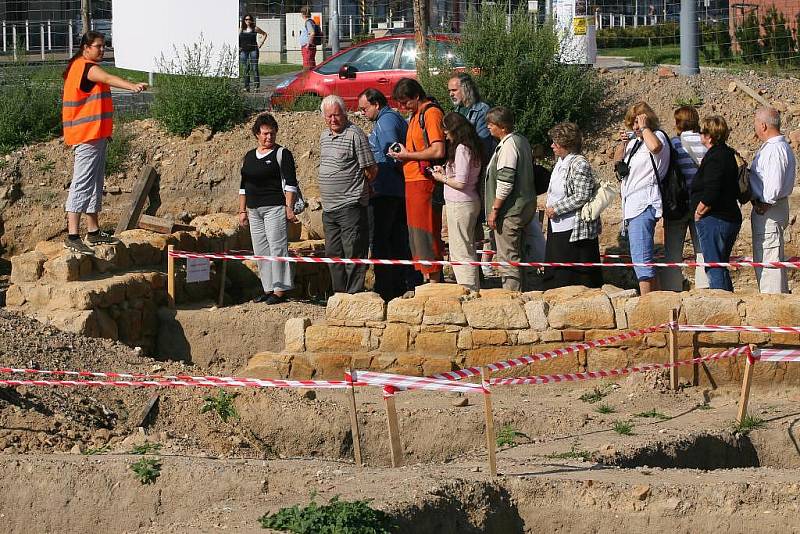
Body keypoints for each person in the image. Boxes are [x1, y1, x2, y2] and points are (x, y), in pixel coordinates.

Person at [61, 31, 148, 256]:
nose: (102, 50)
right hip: (86, 136)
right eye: (98, 46)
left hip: (94, 135)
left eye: (103, 46)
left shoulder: (81, 66)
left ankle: (93, 230)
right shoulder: (86, 68)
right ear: (86, 48)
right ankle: (72, 235)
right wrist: (132, 86)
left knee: (95, 183)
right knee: (82, 183)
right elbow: (109, 78)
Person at [357, 88, 413, 301]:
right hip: (393, 189)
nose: (363, 113)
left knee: (381, 240)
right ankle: (397, 285)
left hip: (387, 190)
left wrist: (397, 175)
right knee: (395, 239)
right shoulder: (389, 119)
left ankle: (386, 288)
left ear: (376, 104)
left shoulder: (386, 122)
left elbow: (394, 152)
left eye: (364, 108)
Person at [319, 95, 378, 293]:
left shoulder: (355, 135)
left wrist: (358, 189)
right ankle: (339, 295)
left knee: (353, 252)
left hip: (350, 206)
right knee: (333, 255)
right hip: (329, 209)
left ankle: (354, 295)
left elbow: (371, 169)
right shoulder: (324, 136)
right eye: (328, 116)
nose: (333, 120)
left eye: (336, 115)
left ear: (344, 114)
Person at [390, 78, 446, 284]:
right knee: (417, 236)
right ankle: (427, 279)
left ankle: (434, 282)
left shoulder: (431, 114)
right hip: (413, 182)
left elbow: (437, 149)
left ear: (416, 96)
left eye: (405, 102)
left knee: (427, 233)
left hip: (425, 182)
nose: (402, 107)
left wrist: (408, 156)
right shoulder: (415, 116)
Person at [238, 114, 297, 304]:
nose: (269, 137)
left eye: (272, 133)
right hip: (254, 210)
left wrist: (289, 207)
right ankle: (268, 287)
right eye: (265, 134)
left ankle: (280, 289)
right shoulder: (249, 156)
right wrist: (242, 211)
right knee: (261, 250)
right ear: (257, 134)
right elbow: (243, 185)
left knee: (277, 247)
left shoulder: (282, 153)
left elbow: (290, 183)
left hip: (274, 207)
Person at [613, 101, 669, 295]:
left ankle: (648, 304)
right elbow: (618, 164)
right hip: (632, 206)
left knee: (642, 260)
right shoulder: (636, 142)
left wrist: (645, 128)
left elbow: (655, 147)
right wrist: (623, 144)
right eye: (633, 124)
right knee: (642, 259)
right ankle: (657, 301)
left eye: (637, 123)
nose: (635, 128)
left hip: (644, 204)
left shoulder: (656, 136)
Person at [542, 122, 602, 289]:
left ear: (567, 143)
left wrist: (557, 208)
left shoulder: (579, 163)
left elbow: (582, 195)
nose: (552, 145)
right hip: (558, 224)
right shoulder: (561, 162)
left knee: (573, 275)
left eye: (556, 142)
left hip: (573, 227)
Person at [485, 106, 537, 291]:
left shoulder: (508, 146)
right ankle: (521, 293)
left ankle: (512, 296)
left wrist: (495, 210)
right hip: (524, 206)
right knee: (518, 253)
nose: (488, 127)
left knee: (508, 257)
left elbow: (505, 181)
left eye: (491, 124)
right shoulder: (521, 140)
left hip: (510, 210)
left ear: (502, 126)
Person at [430, 112, 484, 291]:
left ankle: (467, 289)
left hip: (460, 203)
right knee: (466, 247)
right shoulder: (472, 146)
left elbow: (461, 182)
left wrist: (441, 178)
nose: (444, 134)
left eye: (446, 130)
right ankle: (471, 287)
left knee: (461, 250)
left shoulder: (462, 148)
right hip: (468, 201)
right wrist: (445, 172)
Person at [691, 115, 742, 292]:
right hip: (728, 216)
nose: (700, 135)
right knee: (719, 264)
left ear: (709, 136)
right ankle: (730, 306)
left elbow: (712, 190)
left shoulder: (715, 157)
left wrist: (699, 212)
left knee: (714, 267)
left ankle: (724, 309)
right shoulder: (727, 153)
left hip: (715, 219)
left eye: (702, 132)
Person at [661, 106, 709, 291]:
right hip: (701, 205)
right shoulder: (704, 142)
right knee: (702, 250)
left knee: (672, 252)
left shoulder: (673, 143)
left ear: (678, 122)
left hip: (677, 204)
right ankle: (704, 291)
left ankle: (672, 291)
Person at [749, 107, 796, 294]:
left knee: (769, 263)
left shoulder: (775, 150)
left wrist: (764, 204)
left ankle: (772, 307)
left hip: (769, 210)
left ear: (763, 125)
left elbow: (774, 187)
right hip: (773, 208)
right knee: (770, 258)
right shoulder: (778, 147)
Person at [447, 73, 496, 157]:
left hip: (475, 163)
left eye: (454, 90)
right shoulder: (456, 111)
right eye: (449, 91)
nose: (451, 94)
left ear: (466, 89)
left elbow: (483, 144)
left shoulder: (482, 110)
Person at [239, 14, 267, 92]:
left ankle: (256, 87)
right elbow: (237, 39)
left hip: (253, 50)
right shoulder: (241, 29)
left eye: (249, 19)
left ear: (251, 20)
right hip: (244, 51)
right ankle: (246, 87)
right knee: (245, 69)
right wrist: (239, 47)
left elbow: (264, 34)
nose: (247, 21)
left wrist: (261, 43)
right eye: (246, 19)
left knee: (254, 68)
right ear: (244, 21)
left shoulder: (255, 28)